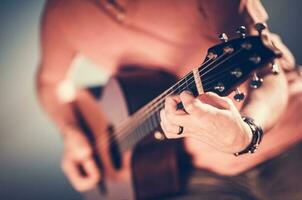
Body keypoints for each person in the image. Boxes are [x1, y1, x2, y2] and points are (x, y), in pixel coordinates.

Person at [36, 0, 302, 199]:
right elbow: (50, 83)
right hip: (194, 173)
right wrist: (71, 131)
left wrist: (246, 132)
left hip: (290, 139)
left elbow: (268, 70)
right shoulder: (61, 12)